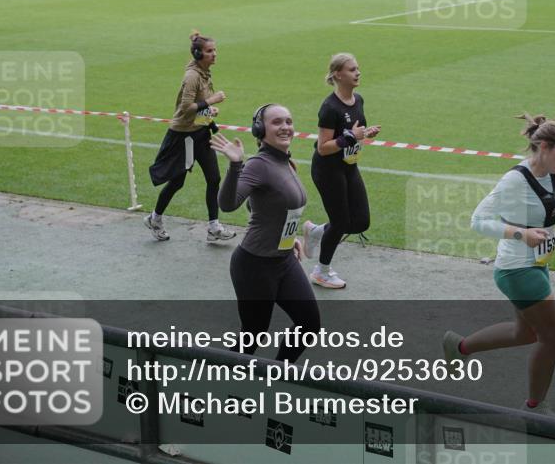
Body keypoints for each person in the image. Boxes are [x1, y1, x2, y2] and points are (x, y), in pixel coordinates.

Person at [443, 115, 555, 416]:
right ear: (544, 147)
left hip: (537, 264)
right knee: (553, 336)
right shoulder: (514, 180)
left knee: (526, 333)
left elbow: (549, 203)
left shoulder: (554, 173)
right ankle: (535, 406)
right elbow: (478, 221)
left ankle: (459, 347)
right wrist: (521, 234)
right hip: (517, 269)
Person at [211, 103, 320, 361]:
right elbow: (228, 204)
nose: (285, 127)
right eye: (277, 122)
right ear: (260, 129)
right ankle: (221, 378)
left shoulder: (286, 162)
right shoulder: (258, 164)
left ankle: (278, 374)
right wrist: (235, 165)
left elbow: (262, 206)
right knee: (253, 334)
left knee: (309, 324)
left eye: (289, 121)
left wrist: (287, 237)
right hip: (255, 265)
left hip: (283, 260)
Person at [145, 31, 235, 243]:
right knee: (177, 182)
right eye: (210, 51)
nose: (215, 54)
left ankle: (213, 227)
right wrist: (212, 101)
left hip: (200, 133)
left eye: (215, 50)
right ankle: (154, 219)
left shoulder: (204, 72)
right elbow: (186, 108)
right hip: (184, 137)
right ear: (198, 54)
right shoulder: (192, 77)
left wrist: (208, 112)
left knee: (214, 178)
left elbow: (197, 108)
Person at [302, 53, 380, 289]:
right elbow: (323, 148)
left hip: (348, 167)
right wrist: (350, 137)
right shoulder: (329, 107)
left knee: (361, 222)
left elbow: (352, 133)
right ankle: (321, 272)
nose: (358, 73)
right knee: (340, 222)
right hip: (327, 170)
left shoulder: (358, 100)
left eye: (358, 68)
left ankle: (316, 231)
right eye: (352, 69)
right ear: (338, 74)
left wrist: (364, 134)